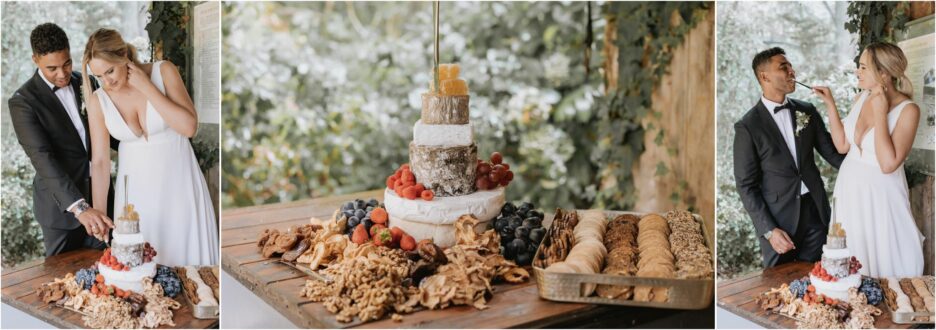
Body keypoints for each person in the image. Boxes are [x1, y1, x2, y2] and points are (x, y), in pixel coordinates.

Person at [83, 28, 218, 266]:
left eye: (110, 71)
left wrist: (147, 88)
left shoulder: (164, 71)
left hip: (180, 187)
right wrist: (101, 214)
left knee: (191, 268)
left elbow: (189, 128)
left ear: (123, 55)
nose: (107, 82)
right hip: (135, 198)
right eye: (99, 77)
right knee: (142, 272)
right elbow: (101, 162)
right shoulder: (98, 101)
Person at [812, 42, 924, 277]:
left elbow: (888, 164)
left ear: (883, 73)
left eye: (863, 67)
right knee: (853, 254)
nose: (857, 72)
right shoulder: (860, 99)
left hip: (881, 195)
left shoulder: (908, 110)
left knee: (885, 256)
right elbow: (843, 145)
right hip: (850, 189)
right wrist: (830, 104)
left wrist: (881, 112)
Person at [9, 23, 118, 256]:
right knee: (60, 280)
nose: (62, 74)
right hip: (61, 212)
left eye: (67, 63)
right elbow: (42, 159)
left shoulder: (86, 82)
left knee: (108, 273)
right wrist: (80, 207)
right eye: (52, 68)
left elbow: (112, 132)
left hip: (103, 202)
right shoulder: (23, 102)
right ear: (35, 59)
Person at [733, 47, 845, 267]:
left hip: (816, 214)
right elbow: (746, 185)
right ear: (764, 76)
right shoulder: (747, 126)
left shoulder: (807, 111)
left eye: (791, 66)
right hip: (778, 223)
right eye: (783, 67)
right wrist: (769, 230)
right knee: (778, 287)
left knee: (819, 279)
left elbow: (833, 155)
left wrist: (868, 166)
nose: (792, 71)